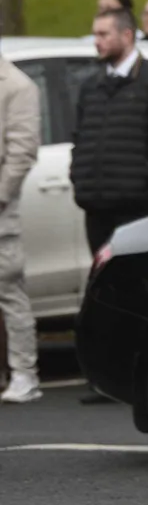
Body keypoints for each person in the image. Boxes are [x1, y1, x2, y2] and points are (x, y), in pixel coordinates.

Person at [70, 9, 148, 254]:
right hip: (96, 207)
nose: (96, 41)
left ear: (126, 35)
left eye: (103, 34)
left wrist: (143, 178)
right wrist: (79, 176)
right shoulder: (91, 86)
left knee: (139, 284)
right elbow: (80, 137)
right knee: (103, 284)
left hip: (139, 209)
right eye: (95, 34)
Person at [0, 43, 40, 405]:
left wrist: (0, 195)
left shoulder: (16, 85)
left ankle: (25, 373)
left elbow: (23, 150)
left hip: (0, 212)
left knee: (9, 290)